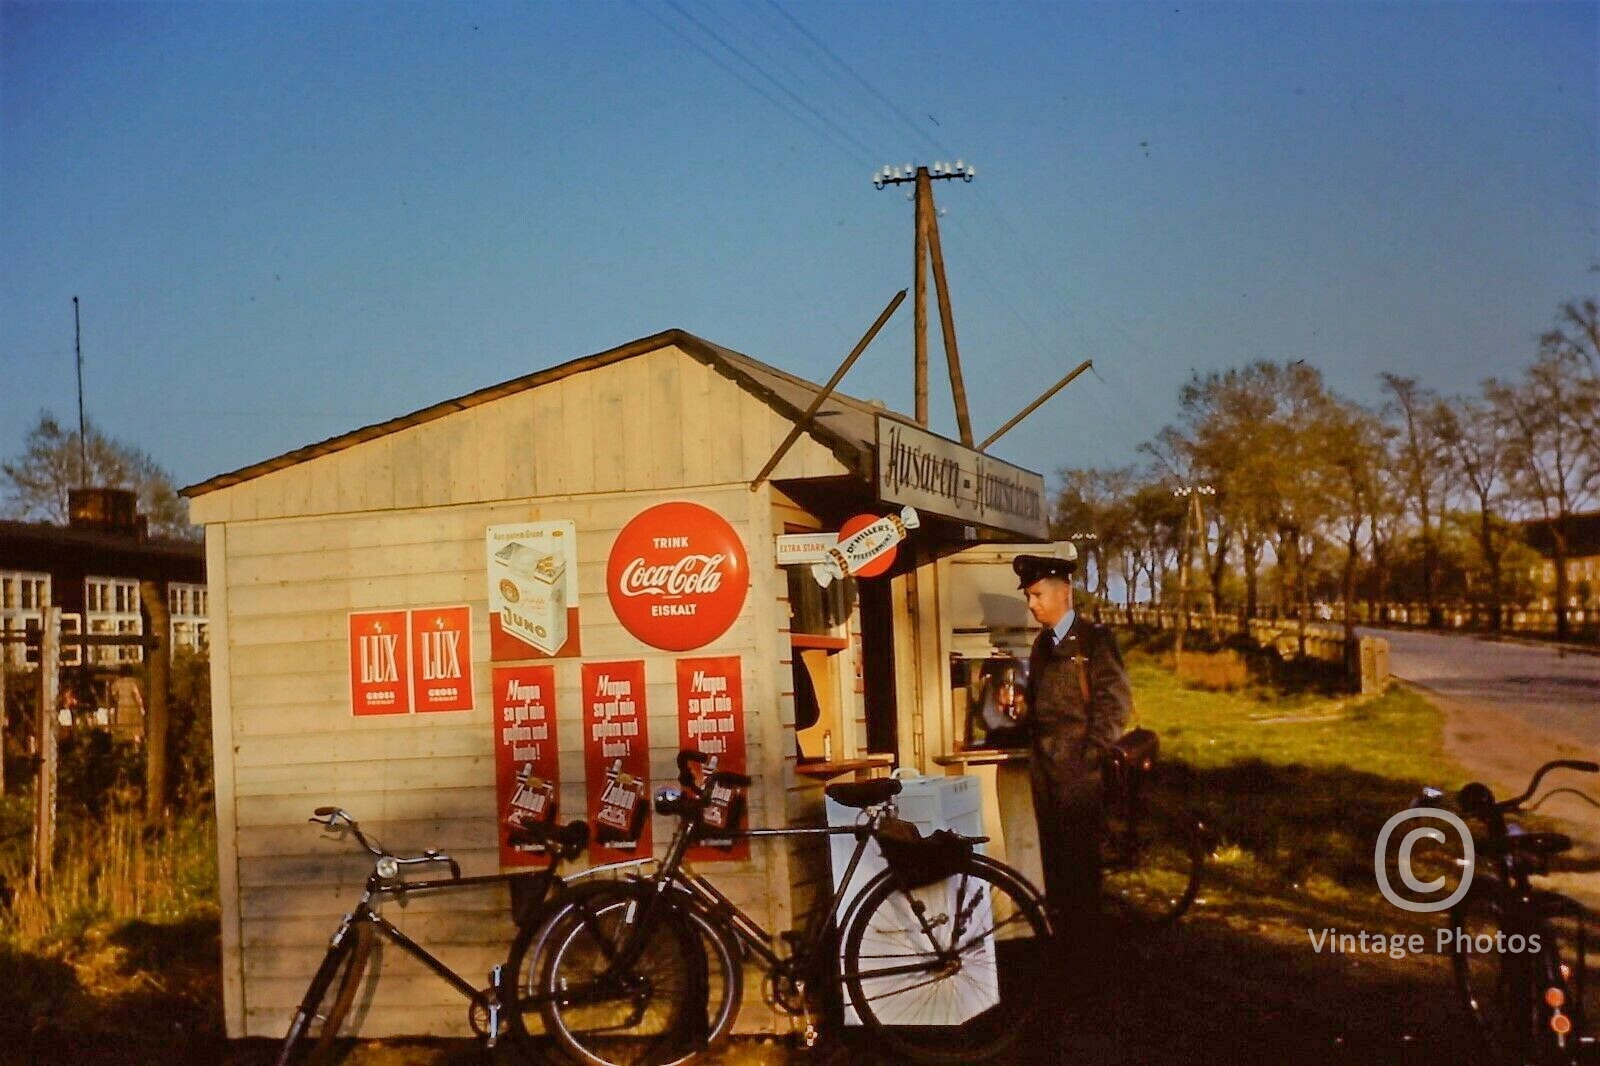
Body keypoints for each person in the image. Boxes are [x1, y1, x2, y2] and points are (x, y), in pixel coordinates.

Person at [1013, 549, 1132, 935]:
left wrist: (1092, 755)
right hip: (1045, 773)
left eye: (1037, 596)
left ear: (1063, 593)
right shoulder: (1042, 646)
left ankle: (1089, 949)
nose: (1031, 605)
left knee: (1082, 870)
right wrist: (1019, 712)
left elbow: (1114, 704)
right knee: (1055, 866)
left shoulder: (1094, 641)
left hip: (1080, 775)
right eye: (1028, 597)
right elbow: (1039, 707)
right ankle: (1066, 944)